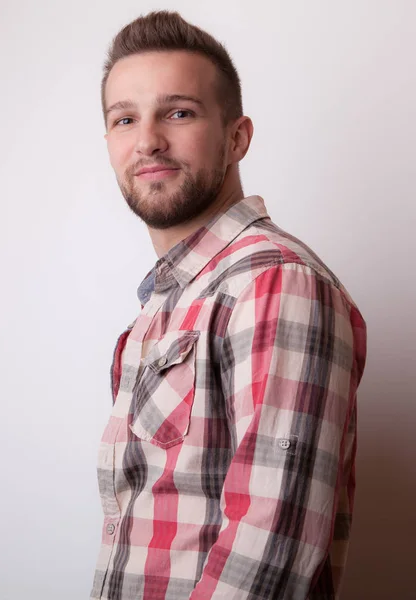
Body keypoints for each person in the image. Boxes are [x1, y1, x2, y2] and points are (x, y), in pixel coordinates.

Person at [90, 10, 367, 600]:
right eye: (125, 119)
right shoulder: (167, 303)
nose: (147, 140)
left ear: (237, 137)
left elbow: (271, 548)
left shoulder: (275, 283)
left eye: (179, 112)